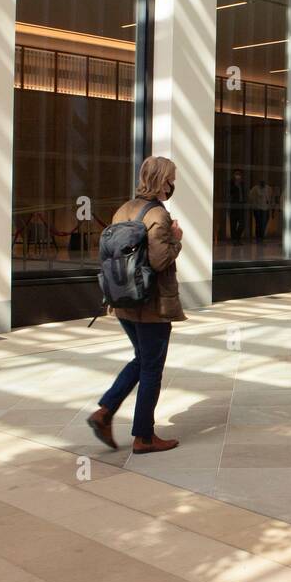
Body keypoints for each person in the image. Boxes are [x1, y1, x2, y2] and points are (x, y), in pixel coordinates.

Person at [86, 156, 186, 455]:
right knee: (152, 366)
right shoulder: (158, 214)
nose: (173, 184)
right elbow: (159, 260)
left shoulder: (123, 210)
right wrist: (177, 240)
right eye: (172, 178)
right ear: (162, 181)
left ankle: (104, 412)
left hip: (123, 301)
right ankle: (143, 437)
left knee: (141, 359)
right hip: (152, 304)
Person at [249, 179, 273, 244]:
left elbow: (269, 198)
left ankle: (261, 236)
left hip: (265, 208)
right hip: (257, 209)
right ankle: (258, 238)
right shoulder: (255, 189)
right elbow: (251, 197)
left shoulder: (268, 188)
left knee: (264, 223)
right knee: (258, 223)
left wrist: (270, 205)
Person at [227, 169, 246, 245]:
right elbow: (229, 192)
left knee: (242, 224)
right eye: (236, 174)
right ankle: (234, 240)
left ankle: (237, 238)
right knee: (233, 223)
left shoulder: (243, 183)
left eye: (239, 174)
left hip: (241, 205)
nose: (238, 176)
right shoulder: (230, 183)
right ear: (233, 175)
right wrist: (235, 185)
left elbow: (244, 193)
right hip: (233, 205)